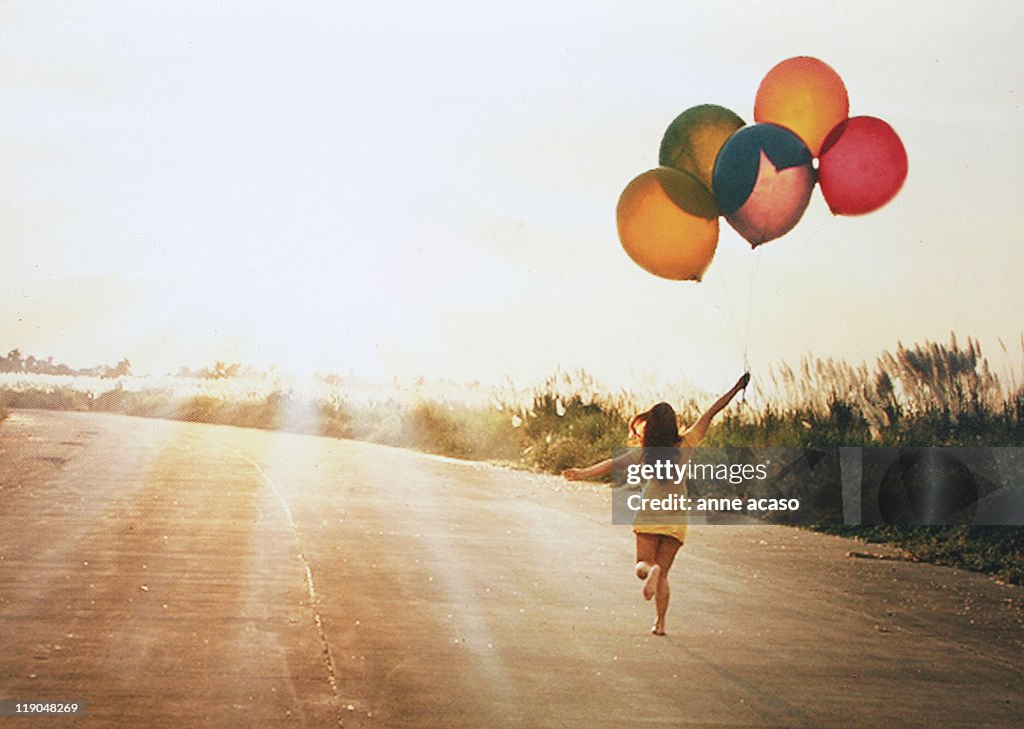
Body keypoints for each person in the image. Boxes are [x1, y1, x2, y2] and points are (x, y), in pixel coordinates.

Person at [562, 373, 749, 635]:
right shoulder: (687, 443)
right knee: (663, 574)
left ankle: (650, 571)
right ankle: (660, 623)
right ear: (673, 424)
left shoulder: (644, 452)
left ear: (650, 426)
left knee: (643, 565)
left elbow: (612, 464)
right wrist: (736, 387)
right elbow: (712, 411)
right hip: (676, 517)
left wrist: (581, 473)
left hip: (650, 512)